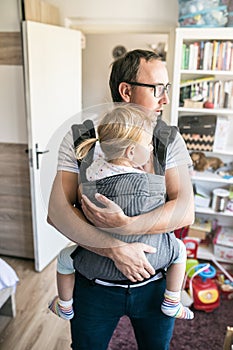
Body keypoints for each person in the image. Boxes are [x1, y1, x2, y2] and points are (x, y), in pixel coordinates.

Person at [48, 49, 194, 350]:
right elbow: (57, 211)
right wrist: (114, 249)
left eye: (166, 89)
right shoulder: (82, 137)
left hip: (156, 287)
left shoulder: (168, 138)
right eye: (157, 89)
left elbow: (185, 211)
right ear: (126, 91)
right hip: (93, 287)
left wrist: (126, 226)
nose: (165, 99)